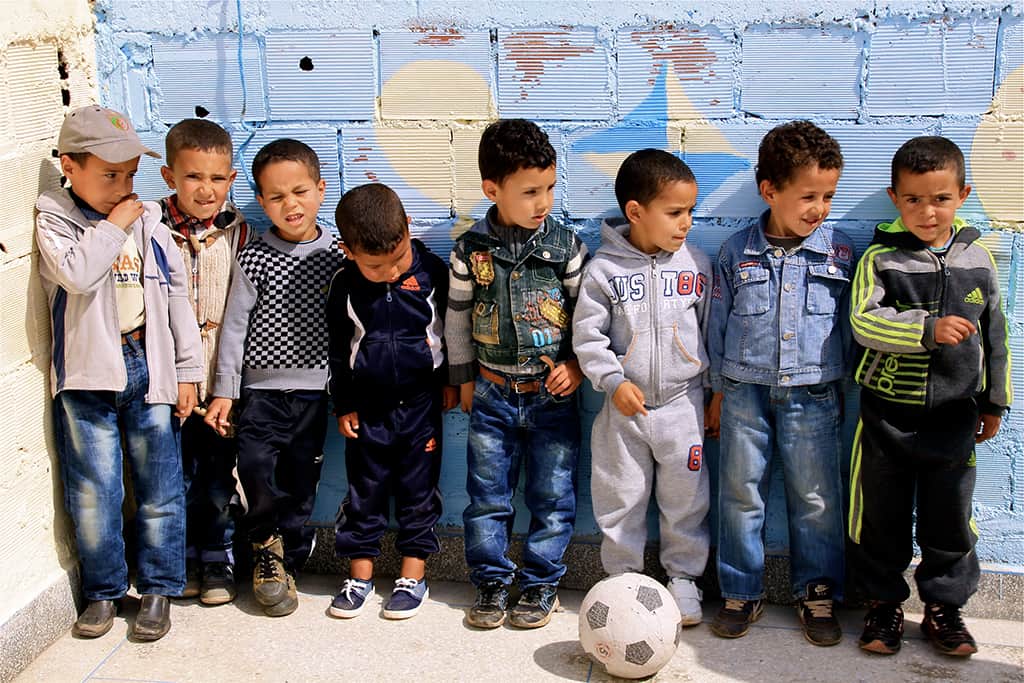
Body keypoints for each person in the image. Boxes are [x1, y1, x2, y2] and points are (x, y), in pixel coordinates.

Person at [36, 105, 203, 640]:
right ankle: (103, 592)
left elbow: (177, 296)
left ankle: (159, 588)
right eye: (110, 174)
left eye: (130, 174)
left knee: (160, 487)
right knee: (95, 491)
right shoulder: (55, 217)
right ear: (69, 165)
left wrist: (186, 371)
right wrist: (113, 226)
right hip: (87, 379)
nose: (123, 186)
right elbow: (79, 275)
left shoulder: (148, 219)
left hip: (147, 364)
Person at [848, 136, 1011, 657]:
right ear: (895, 198)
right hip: (886, 417)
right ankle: (882, 606)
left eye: (939, 198)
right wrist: (925, 328)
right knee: (881, 517)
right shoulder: (880, 258)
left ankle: (945, 610)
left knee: (950, 520)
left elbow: (998, 336)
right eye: (914, 199)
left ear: (962, 194)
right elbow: (862, 322)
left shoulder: (979, 259)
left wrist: (994, 402)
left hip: (954, 418)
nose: (927, 211)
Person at [706, 120, 853, 646]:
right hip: (744, 391)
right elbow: (718, 325)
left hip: (814, 395)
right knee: (741, 494)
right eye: (808, 195)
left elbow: (850, 328)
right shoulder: (735, 253)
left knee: (816, 496)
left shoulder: (840, 253)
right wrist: (718, 391)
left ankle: (817, 592)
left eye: (829, 196)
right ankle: (740, 591)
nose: (819, 208)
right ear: (770, 190)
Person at [445, 118, 587, 629]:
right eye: (529, 191)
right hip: (492, 394)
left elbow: (587, 318)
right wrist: (462, 378)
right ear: (492, 189)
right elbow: (457, 318)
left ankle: (541, 581)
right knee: (487, 494)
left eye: (549, 187)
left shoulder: (566, 249)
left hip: (552, 394)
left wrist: (575, 364)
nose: (542, 201)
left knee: (553, 493)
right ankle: (491, 582)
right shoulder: (468, 251)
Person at [204, 138, 344, 617]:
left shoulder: (339, 255)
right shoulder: (256, 257)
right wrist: (226, 388)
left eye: (301, 191)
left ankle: (293, 552)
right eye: (277, 196)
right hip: (260, 394)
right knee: (258, 472)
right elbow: (234, 326)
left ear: (321, 190)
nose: (291, 205)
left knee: (303, 480)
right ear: (261, 202)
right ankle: (266, 547)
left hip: (314, 394)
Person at [573, 149, 711, 626]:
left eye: (690, 211)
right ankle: (621, 585)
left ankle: (685, 579)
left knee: (686, 500)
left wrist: (712, 393)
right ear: (636, 212)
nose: (686, 223)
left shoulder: (697, 265)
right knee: (620, 498)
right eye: (675, 212)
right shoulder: (603, 272)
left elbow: (710, 330)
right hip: (624, 411)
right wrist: (612, 381)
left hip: (683, 407)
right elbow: (587, 339)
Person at [324, 183, 458, 620]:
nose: (390, 271)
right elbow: (338, 350)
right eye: (375, 266)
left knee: (419, 493)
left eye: (398, 258)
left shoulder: (432, 271)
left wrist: (453, 380)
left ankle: (413, 575)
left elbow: (451, 332)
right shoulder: (345, 286)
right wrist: (344, 402)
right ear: (348, 251)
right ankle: (359, 576)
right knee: (365, 491)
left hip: (422, 406)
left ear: (408, 229)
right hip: (368, 409)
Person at [158, 118, 252, 605]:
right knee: (172, 477)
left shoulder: (240, 234)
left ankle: (217, 559)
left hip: (221, 382)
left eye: (217, 179)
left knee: (218, 476)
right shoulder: (151, 229)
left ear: (231, 179)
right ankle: (182, 559)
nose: (206, 189)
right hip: (164, 381)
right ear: (169, 175)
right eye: (194, 177)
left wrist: (227, 386)